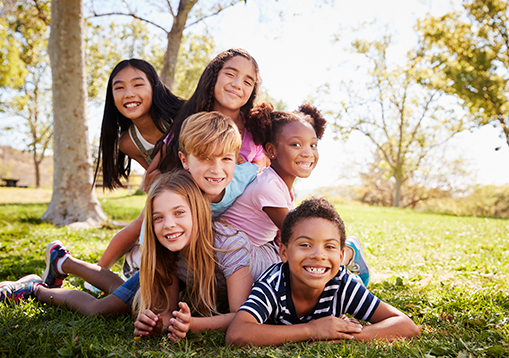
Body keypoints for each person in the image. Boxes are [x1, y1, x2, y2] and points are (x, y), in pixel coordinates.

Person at [0, 171, 262, 341]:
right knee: (105, 307)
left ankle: (63, 261)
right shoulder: (166, 251)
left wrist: (188, 323)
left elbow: (241, 315)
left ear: (200, 211)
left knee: (124, 292)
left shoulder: (230, 247)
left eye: (179, 213)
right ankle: (36, 288)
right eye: (159, 218)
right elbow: (165, 311)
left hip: (229, 281)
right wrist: (154, 321)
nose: (168, 224)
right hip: (173, 278)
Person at [98, 48, 266, 271]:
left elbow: (262, 171)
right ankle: (118, 265)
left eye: (248, 81)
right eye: (230, 74)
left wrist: (247, 168)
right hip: (186, 209)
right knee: (144, 224)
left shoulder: (253, 131)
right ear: (213, 76)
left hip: (228, 217)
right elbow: (158, 166)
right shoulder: (191, 119)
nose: (237, 84)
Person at [225, 198, 421, 346]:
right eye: (305, 244)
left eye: (329, 246)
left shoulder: (341, 283)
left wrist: (346, 336)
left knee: (356, 283)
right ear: (283, 252)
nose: (318, 255)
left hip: (340, 277)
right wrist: (312, 329)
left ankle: (354, 254)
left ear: (341, 254)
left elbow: (406, 325)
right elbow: (237, 333)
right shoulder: (273, 284)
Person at [220, 101, 370, 286]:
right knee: (305, 261)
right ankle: (347, 254)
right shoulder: (267, 186)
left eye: (313, 145)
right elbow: (300, 235)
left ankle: (346, 255)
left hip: (251, 252)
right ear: (271, 151)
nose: (307, 152)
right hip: (236, 253)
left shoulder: (280, 187)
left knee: (310, 259)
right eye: (296, 144)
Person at [94, 58, 183, 190]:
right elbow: (157, 182)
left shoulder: (183, 116)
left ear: (154, 88)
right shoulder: (128, 143)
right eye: (119, 87)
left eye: (138, 85)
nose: (129, 94)